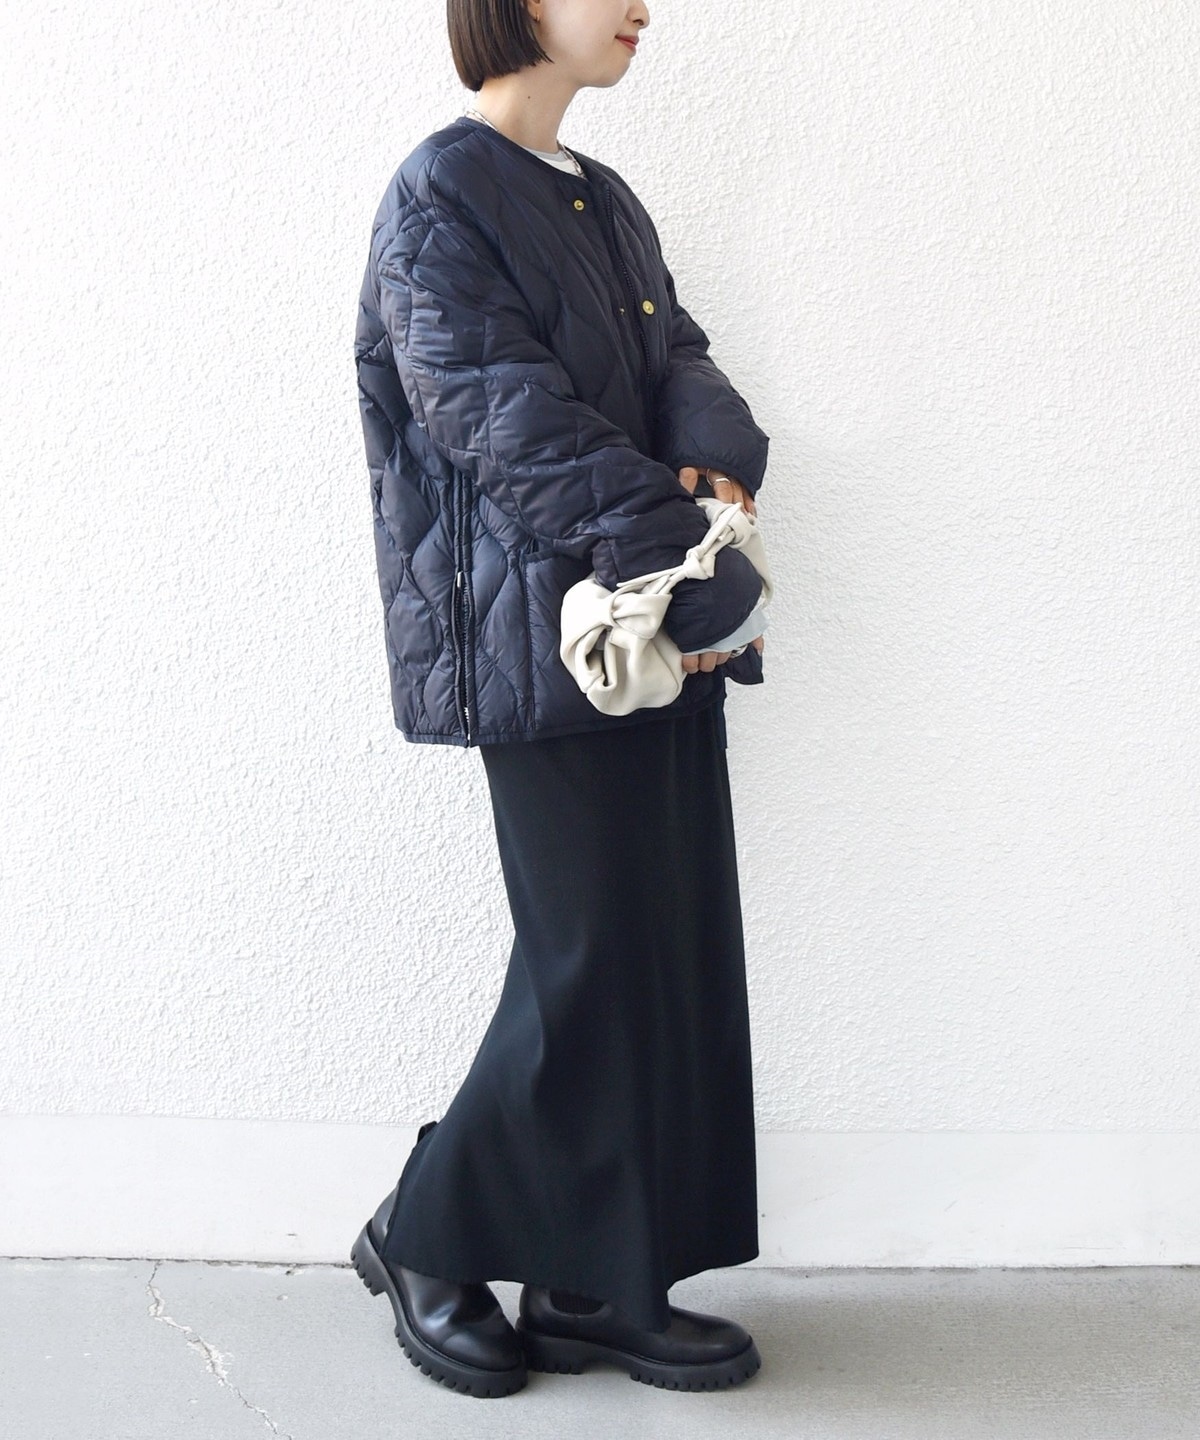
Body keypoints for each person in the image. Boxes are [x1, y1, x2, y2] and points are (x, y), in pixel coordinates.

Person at [350, 0, 772, 1400]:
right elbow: (501, 418)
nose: (641, 4)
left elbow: (677, 357)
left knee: (656, 957)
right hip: (548, 639)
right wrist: (678, 561)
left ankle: (593, 1281)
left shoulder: (604, 197)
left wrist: (713, 454)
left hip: (645, 628)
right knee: (585, 960)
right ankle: (421, 1233)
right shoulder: (442, 193)